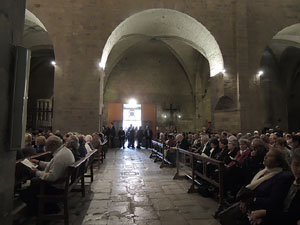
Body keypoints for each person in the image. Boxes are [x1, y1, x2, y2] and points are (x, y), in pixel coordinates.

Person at [20, 136, 75, 215]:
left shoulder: (60, 156)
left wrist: (36, 172)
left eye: (47, 145)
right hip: (62, 184)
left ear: (53, 145)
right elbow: (52, 165)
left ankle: (44, 212)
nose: (46, 148)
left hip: (56, 188)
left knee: (25, 193)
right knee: (33, 185)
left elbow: (52, 177)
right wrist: (38, 162)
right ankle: (49, 208)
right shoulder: (64, 151)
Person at [250, 148, 300, 225]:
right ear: (291, 164)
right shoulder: (290, 180)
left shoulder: (284, 177)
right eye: (296, 165)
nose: (299, 169)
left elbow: (292, 215)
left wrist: (265, 213)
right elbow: (278, 205)